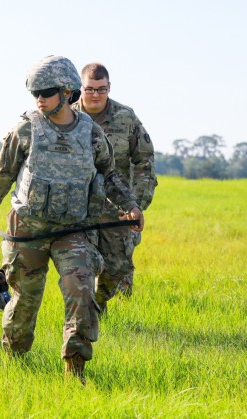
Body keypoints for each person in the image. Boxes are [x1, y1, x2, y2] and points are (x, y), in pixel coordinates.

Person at [0, 55, 144, 384]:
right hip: (27, 230)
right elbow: (4, 173)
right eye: (35, 92)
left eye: (47, 91)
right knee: (25, 299)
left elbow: (109, 175)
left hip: (72, 231)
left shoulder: (91, 134)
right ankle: (16, 361)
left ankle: (74, 369)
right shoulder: (26, 128)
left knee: (81, 292)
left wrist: (130, 205)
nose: (39, 98)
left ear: (67, 92)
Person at [72, 63, 157, 309]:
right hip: (79, 206)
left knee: (119, 266)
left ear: (109, 88)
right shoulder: (66, 116)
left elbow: (145, 161)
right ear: (81, 88)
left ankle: (107, 307)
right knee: (82, 264)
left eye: (101, 89)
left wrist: (137, 204)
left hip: (117, 207)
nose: (95, 95)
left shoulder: (126, 117)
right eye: (89, 89)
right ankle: (88, 314)